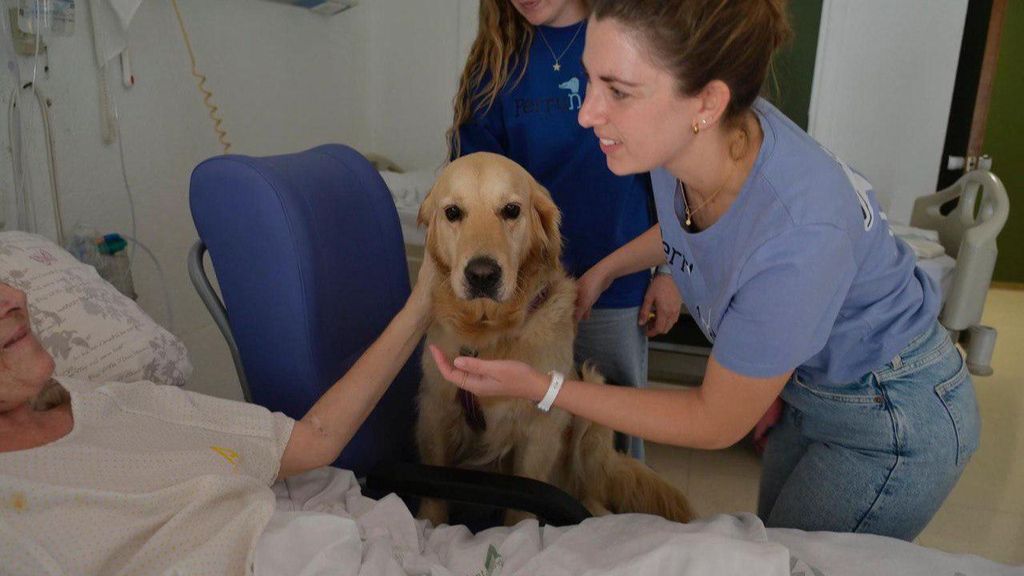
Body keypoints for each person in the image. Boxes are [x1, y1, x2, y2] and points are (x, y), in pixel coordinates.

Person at [430, 0, 981, 541]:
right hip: (814, 391)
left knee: (792, 559)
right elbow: (684, 225)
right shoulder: (701, 144)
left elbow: (713, 420)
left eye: (617, 91)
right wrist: (607, 270)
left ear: (706, 102)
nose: (586, 112)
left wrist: (543, 387)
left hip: (889, 414)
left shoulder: (799, 233)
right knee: (776, 543)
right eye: (590, 81)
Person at [0, 259, 434, 574]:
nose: (13, 299)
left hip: (354, 543)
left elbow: (316, 438)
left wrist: (424, 303)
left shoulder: (113, 404)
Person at [448, 0, 685, 460]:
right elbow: (469, 187)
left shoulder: (628, 41)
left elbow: (671, 172)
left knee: (609, 446)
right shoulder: (494, 66)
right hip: (526, 300)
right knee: (528, 440)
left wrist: (669, 272)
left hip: (618, 289)